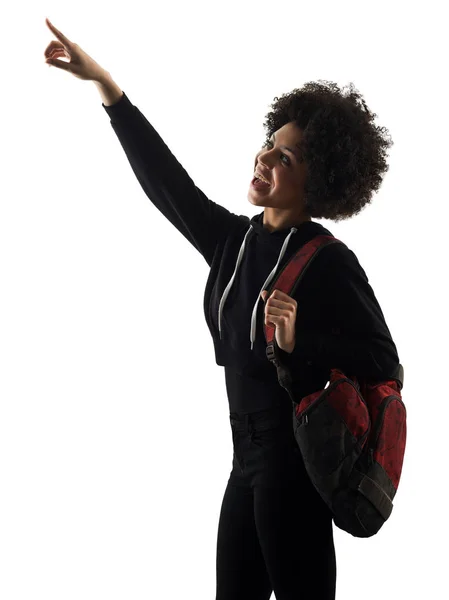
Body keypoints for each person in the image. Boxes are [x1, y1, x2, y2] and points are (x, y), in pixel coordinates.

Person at [44, 18, 401, 600]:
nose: (264, 159)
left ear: (317, 182)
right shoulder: (233, 242)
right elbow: (167, 185)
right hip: (244, 463)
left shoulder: (329, 262)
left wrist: (299, 338)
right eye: (269, 144)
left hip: (293, 464)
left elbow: (384, 361)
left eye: (284, 158)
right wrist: (106, 85)